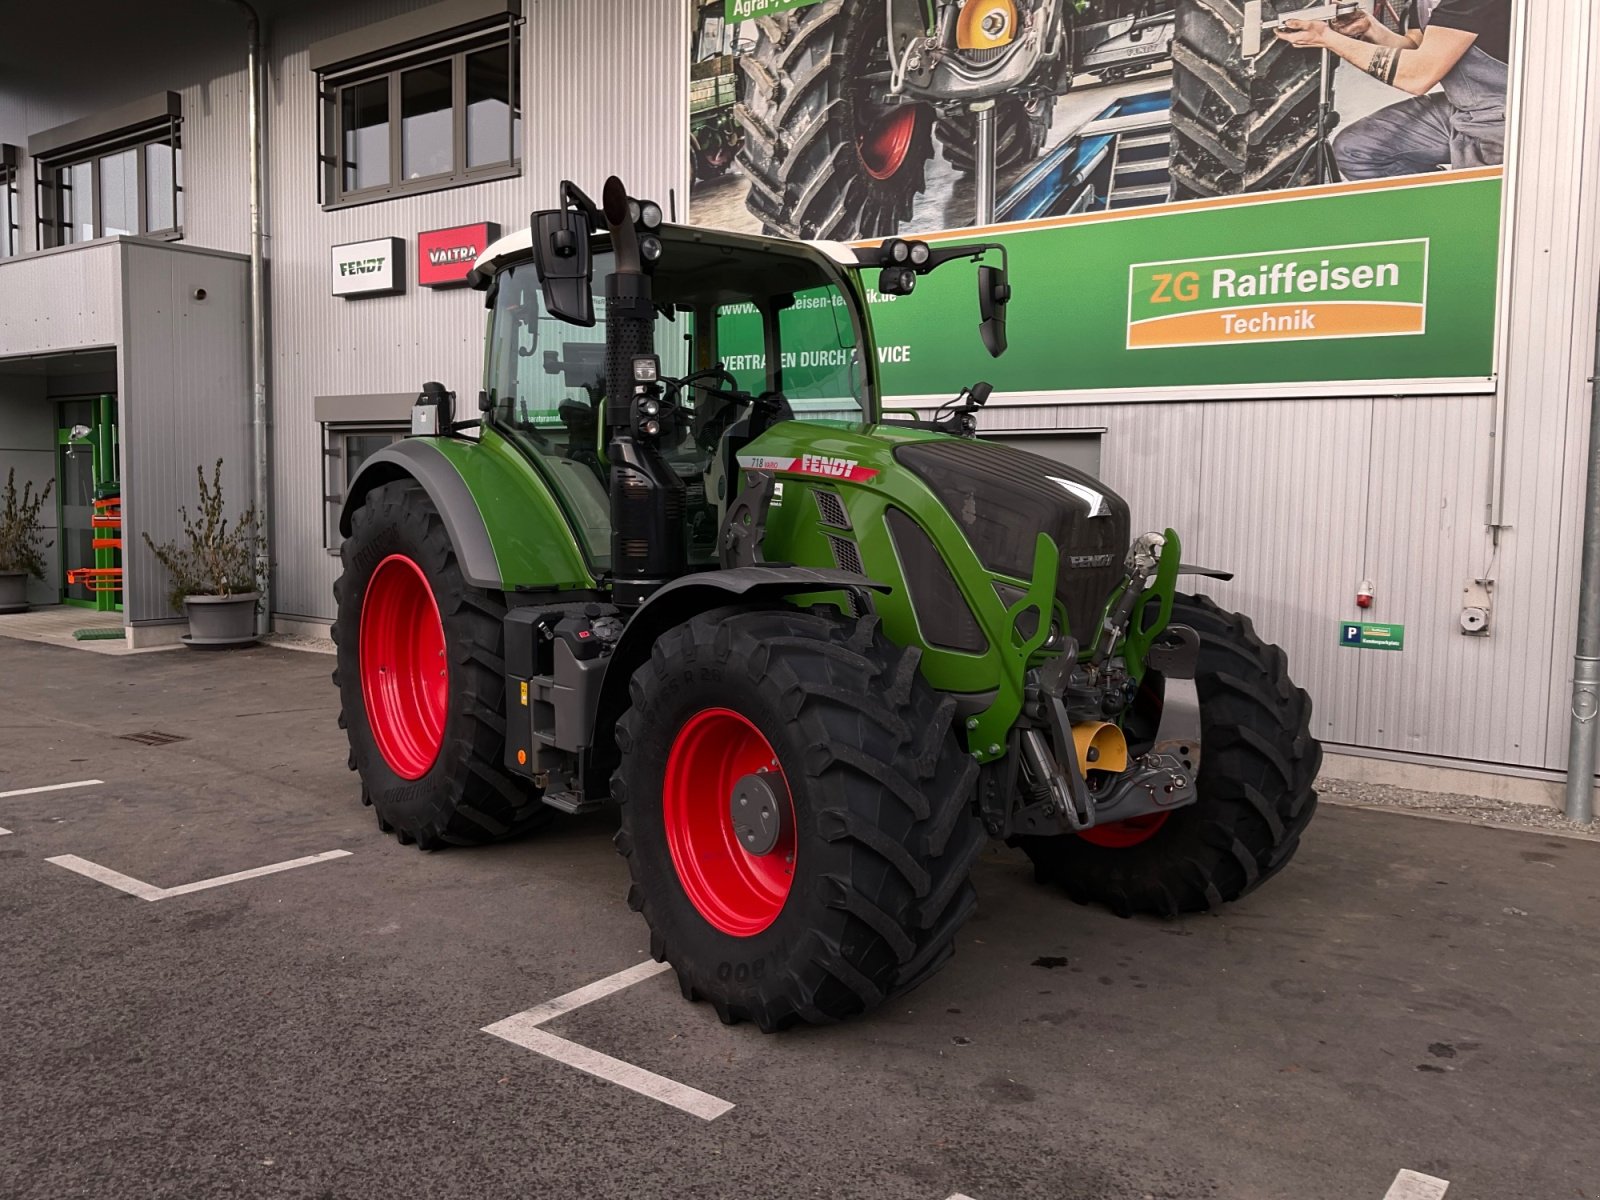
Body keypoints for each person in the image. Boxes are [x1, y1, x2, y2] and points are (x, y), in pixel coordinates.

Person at [1276, 0, 1511, 180]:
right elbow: (1417, 47)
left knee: (1493, 204)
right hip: (1465, 105)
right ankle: (1431, 218)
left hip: (1509, 113)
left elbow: (1419, 75)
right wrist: (1369, 28)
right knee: (1357, 150)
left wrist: (1327, 38)